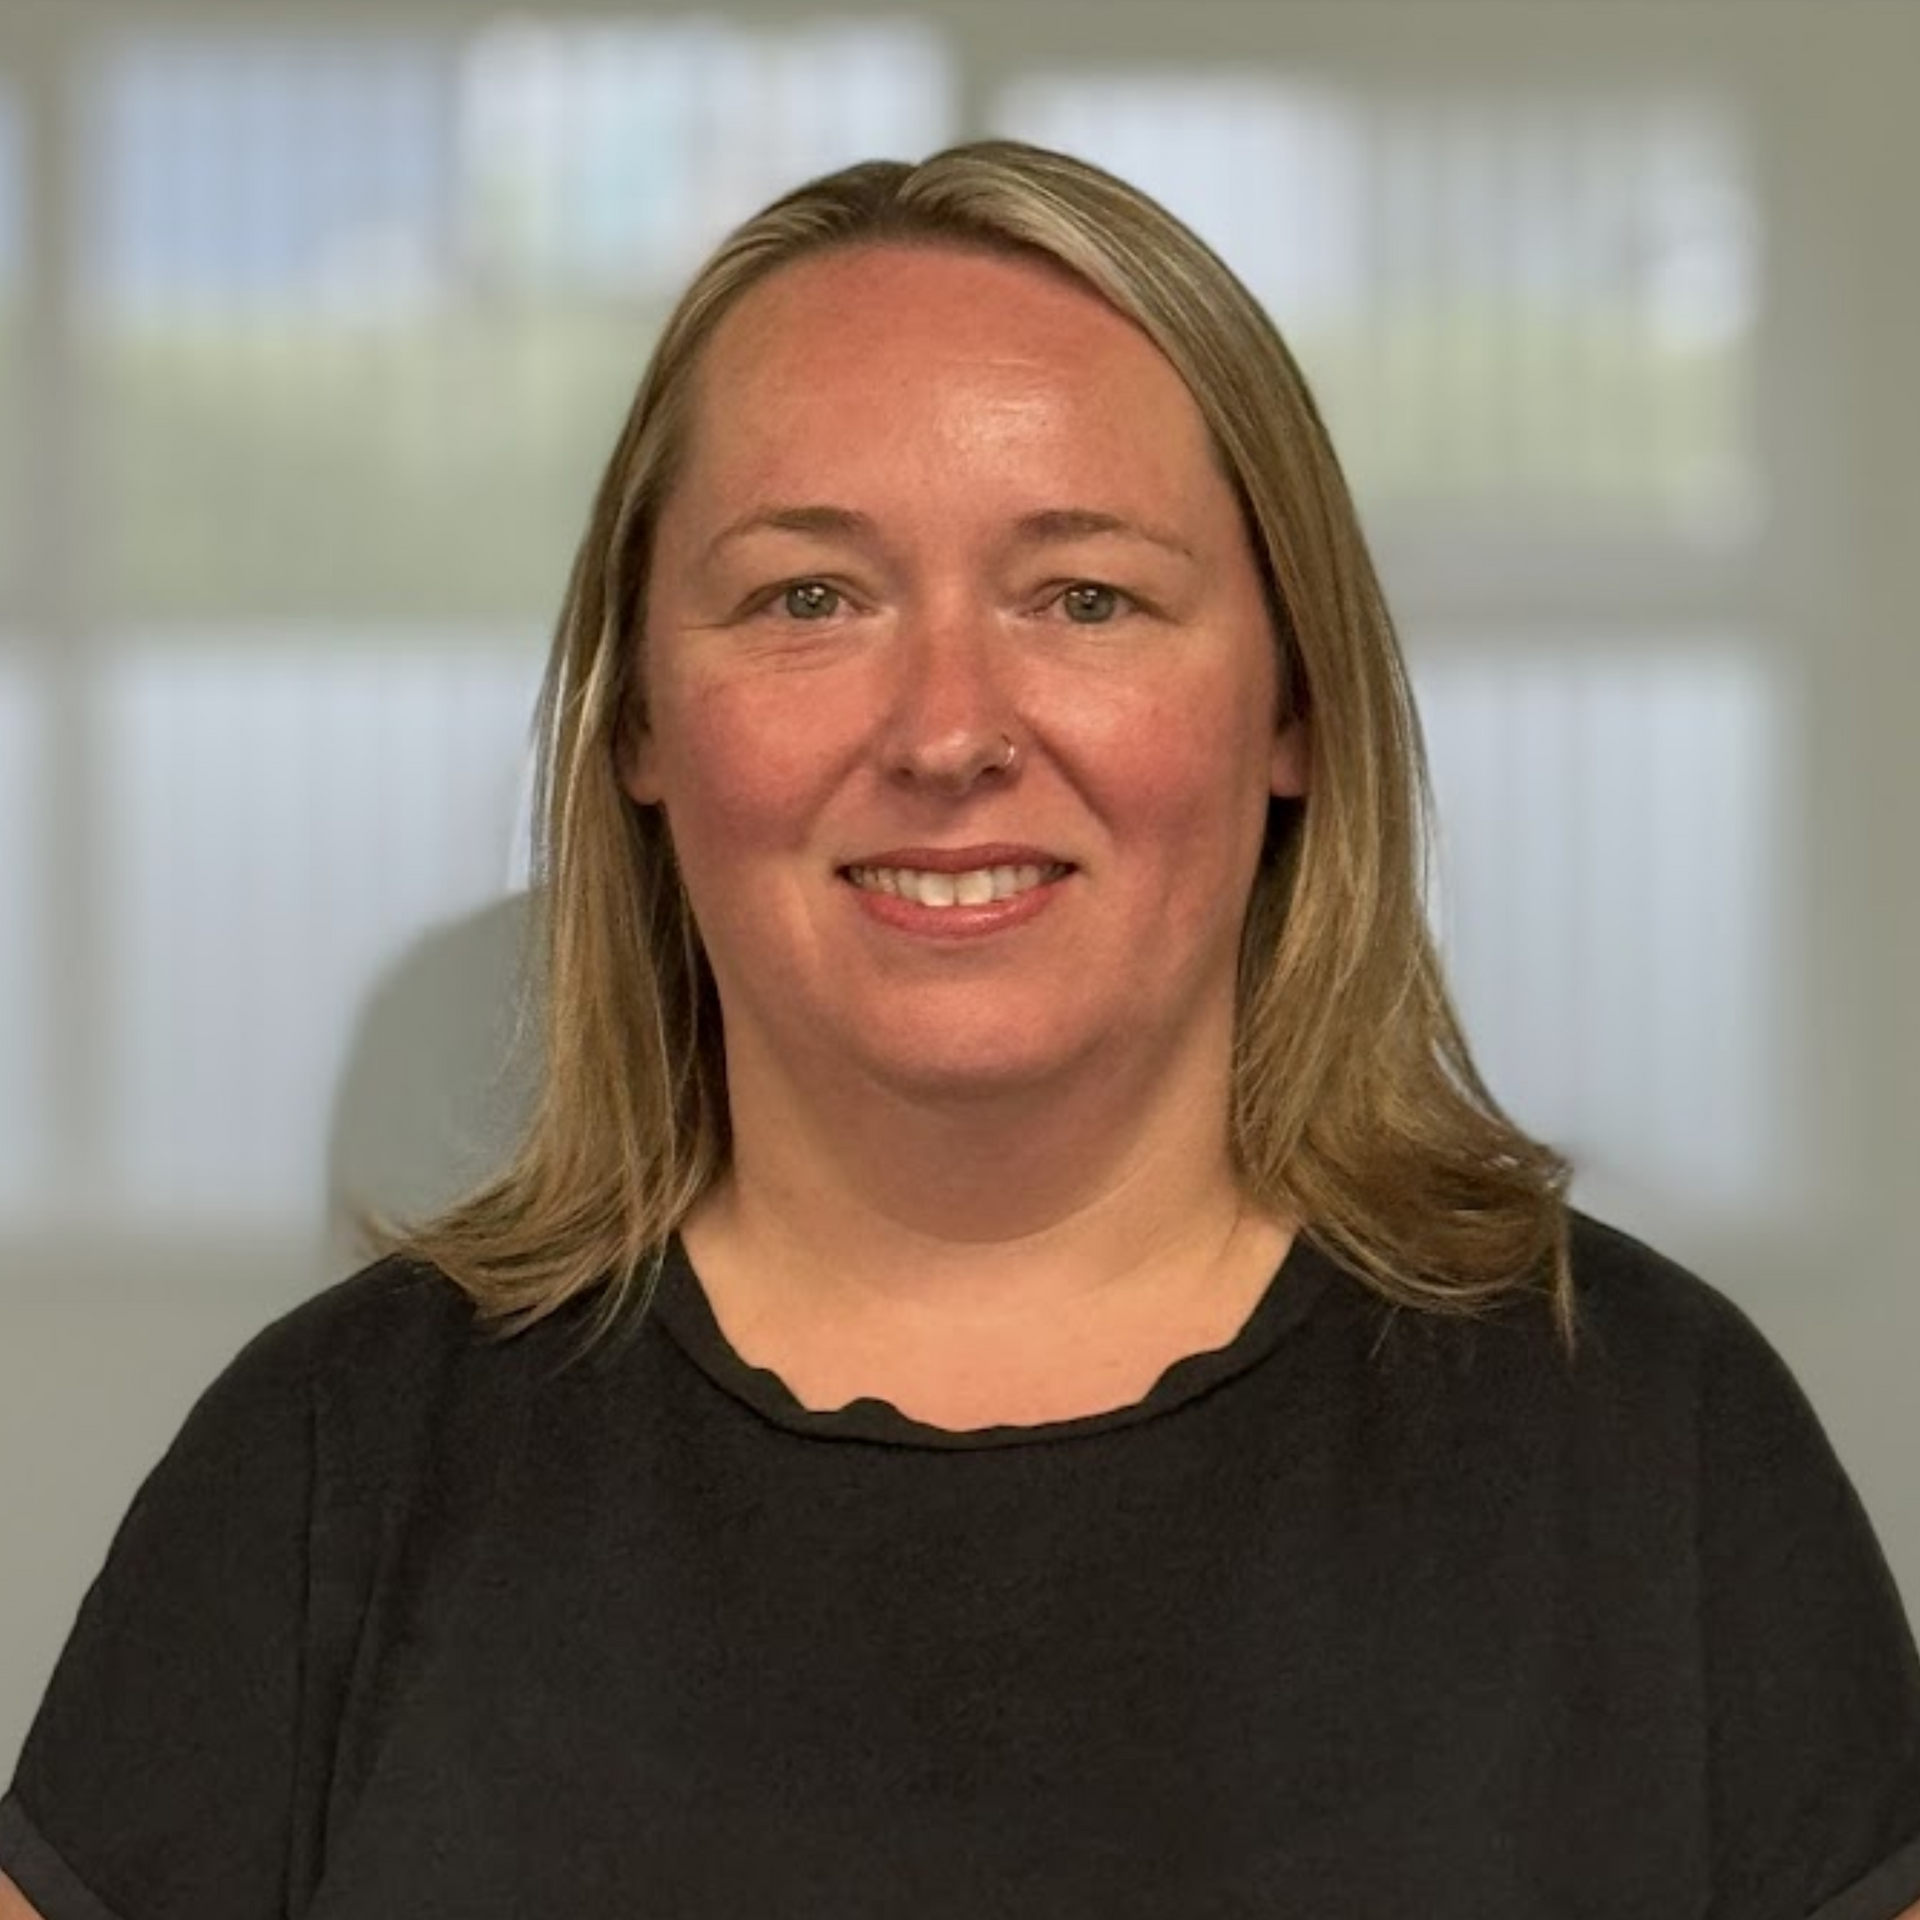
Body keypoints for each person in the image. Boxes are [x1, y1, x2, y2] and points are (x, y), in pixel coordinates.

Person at [3, 138, 1918, 1919]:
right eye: (808, 595)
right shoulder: (335, 1464)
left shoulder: (1652, 1446)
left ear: (1292, 708)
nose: (946, 729)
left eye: (1086, 595)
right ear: (644, 729)